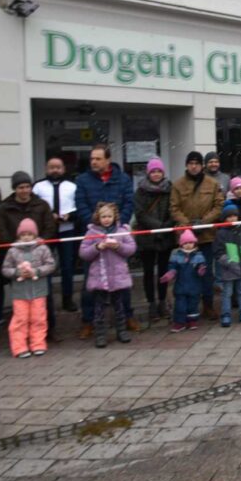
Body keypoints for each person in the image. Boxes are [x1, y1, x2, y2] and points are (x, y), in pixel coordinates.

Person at [74, 144, 136, 339]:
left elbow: (129, 203)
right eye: (92, 158)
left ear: (107, 160)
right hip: (94, 235)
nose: (93, 162)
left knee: (121, 281)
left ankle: (126, 317)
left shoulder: (123, 179)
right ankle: (88, 321)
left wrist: (118, 226)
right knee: (90, 283)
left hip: (117, 235)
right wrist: (95, 225)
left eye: (98, 158)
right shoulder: (82, 180)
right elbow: (81, 205)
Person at [0, 172, 57, 333]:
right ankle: (22, 332)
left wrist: (41, 241)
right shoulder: (4, 208)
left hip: (39, 255)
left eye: (27, 187)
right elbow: (1, 230)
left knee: (44, 296)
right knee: (20, 300)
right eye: (21, 187)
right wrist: (15, 245)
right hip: (16, 256)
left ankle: (48, 330)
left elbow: (50, 226)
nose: (24, 190)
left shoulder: (41, 205)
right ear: (15, 189)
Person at [170, 151, 224, 321]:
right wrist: (188, 225)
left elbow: (218, 205)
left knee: (206, 272)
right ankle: (187, 307)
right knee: (186, 273)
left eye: (197, 163)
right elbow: (174, 208)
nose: (194, 166)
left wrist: (204, 222)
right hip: (186, 238)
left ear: (202, 165)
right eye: (191, 163)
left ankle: (208, 305)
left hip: (207, 235)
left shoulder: (212, 184)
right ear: (187, 165)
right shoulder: (178, 185)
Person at [79, 202, 136, 347]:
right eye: (103, 216)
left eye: (109, 216)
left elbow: (131, 249)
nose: (106, 219)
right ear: (98, 217)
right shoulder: (91, 233)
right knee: (99, 307)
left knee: (119, 305)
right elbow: (83, 253)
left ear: (114, 217)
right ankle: (100, 334)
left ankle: (121, 331)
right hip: (100, 277)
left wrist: (118, 246)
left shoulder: (122, 231)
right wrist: (97, 247)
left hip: (118, 276)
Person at [0, 218, 55, 358]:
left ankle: (38, 344)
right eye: (23, 234)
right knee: (20, 319)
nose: (26, 237)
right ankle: (19, 347)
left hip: (39, 291)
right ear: (19, 236)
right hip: (19, 293)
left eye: (29, 234)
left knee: (39, 318)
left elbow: (51, 265)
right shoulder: (12, 251)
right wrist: (18, 273)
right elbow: (5, 269)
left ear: (35, 235)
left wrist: (36, 271)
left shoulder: (42, 248)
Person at [32, 157, 79, 312]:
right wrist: (48, 216)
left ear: (63, 169)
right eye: (52, 167)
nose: (55, 170)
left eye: (58, 167)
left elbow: (79, 207)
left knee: (67, 266)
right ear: (46, 169)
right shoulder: (38, 187)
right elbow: (34, 209)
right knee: (45, 266)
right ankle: (46, 300)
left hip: (67, 230)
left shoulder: (72, 186)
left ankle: (68, 299)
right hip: (47, 232)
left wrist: (70, 216)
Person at [133, 158, 176, 321]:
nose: (156, 174)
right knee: (148, 272)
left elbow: (174, 209)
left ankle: (162, 302)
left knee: (163, 271)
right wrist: (159, 226)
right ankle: (151, 303)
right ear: (148, 173)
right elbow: (140, 214)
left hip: (165, 236)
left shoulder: (170, 189)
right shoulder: (140, 191)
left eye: (159, 171)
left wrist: (166, 226)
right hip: (147, 236)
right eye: (153, 171)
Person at [213, 204, 241, 327]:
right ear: (224, 218)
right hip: (228, 269)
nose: (232, 219)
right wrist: (228, 262)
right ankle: (225, 314)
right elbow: (218, 252)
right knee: (227, 293)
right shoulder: (221, 233)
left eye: (235, 216)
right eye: (229, 217)